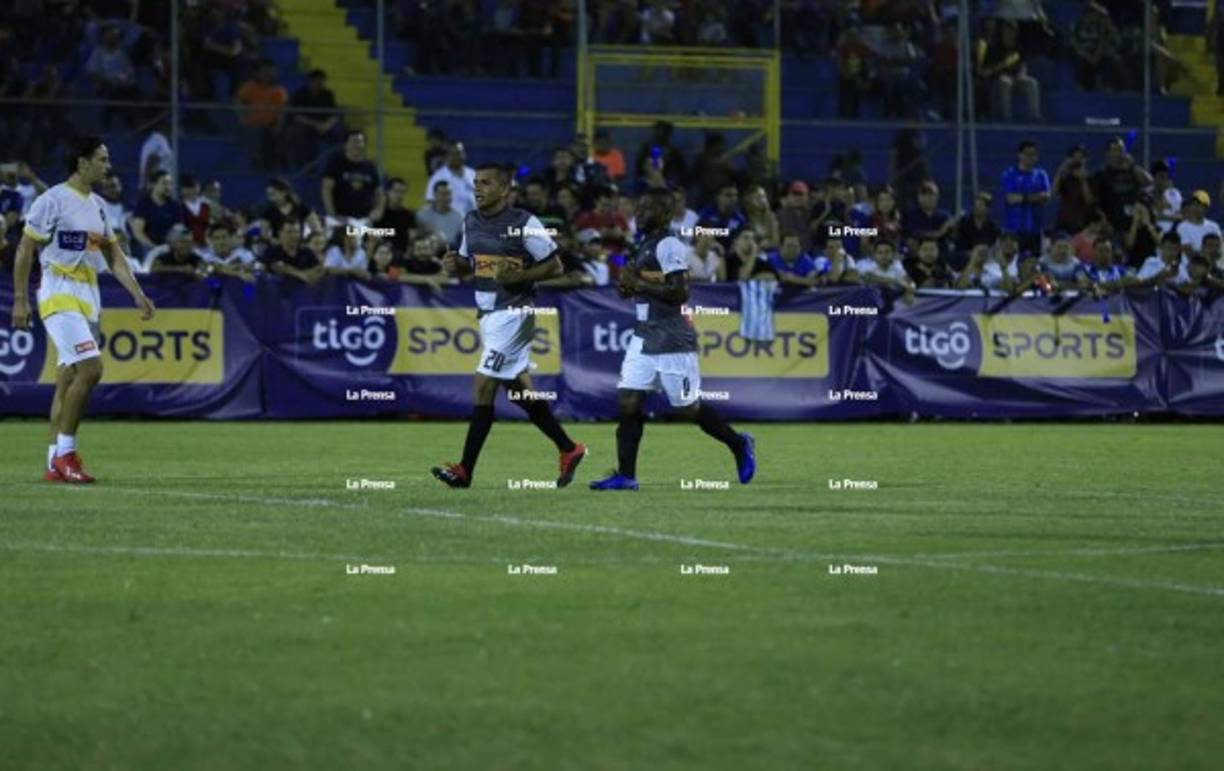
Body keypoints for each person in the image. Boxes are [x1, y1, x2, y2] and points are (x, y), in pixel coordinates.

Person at [7, 135, 156, 483]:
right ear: (82, 162)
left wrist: (137, 293)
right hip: (58, 294)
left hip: (89, 299)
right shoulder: (52, 200)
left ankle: (51, 463)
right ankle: (67, 454)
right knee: (91, 369)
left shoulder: (99, 206)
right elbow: (25, 248)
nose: (108, 166)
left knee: (67, 380)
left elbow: (114, 257)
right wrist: (19, 298)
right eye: (102, 160)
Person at [431, 164, 588, 489]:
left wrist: (520, 276)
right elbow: (467, 264)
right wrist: (454, 265)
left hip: (515, 315)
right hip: (488, 315)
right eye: (475, 183)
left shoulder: (524, 223)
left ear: (505, 190)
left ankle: (464, 471)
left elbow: (555, 265)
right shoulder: (470, 221)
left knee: (483, 384)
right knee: (519, 393)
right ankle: (569, 448)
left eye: (486, 183)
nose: (477, 188)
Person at [589, 187, 756, 491]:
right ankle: (626, 475)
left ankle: (738, 443)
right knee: (628, 400)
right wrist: (629, 288)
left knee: (687, 407)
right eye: (638, 208)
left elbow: (679, 292)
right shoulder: (643, 245)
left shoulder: (668, 244)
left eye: (647, 209)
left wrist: (638, 282)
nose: (639, 214)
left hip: (671, 335)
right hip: (643, 334)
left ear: (664, 214)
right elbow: (644, 288)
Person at [978, 20, 1041, 121]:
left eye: (1012, 32)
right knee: (1005, 82)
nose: (1009, 34)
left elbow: (1023, 65)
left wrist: (1021, 74)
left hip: (1017, 79)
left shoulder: (1019, 48)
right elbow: (989, 70)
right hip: (999, 81)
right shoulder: (995, 48)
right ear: (1002, 33)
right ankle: (1007, 116)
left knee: (1032, 82)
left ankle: (1034, 115)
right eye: (1007, 32)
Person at [1000, 139, 1051, 255]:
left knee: (1034, 261)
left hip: (1036, 229)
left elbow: (1046, 197)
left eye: (1033, 154)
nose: (1030, 157)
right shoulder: (1009, 174)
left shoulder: (1041, 174)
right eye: (1027, 154)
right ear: (1019, 155)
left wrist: (1022, 198)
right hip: (1014, 229)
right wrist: (1034, 198)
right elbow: (1011, 199)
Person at [235, 59, 288, 171]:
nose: (268, 75)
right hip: (252, 126)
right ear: (258, 73)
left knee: (272, 136)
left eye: (270, 72)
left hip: (269, 127)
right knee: (256, 134)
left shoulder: (278, 91)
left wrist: (278, 126)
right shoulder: (249, 86)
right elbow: (239, 101)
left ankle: (270, 165)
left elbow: (281, 111)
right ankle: (257, 161)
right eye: (265, 72)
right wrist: (242, 118)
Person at [322, 130, 384, 224]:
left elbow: (379, 193)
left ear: (364, 144)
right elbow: (326, 189)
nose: (356, 145)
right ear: (346, 144)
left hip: (364, 219)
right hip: (341, 218)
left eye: (360, 141)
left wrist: (378, 210)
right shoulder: (335, 163)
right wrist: (332, 214)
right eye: (353, 141)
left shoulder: (370, 167)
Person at [1092, 137, 1152, 234]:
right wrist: (1104, 222)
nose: (1119, 154)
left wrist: (1132, 166)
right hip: (1111, 225)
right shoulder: (1101, 174)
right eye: (1115, 150)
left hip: (1133, 226)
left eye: (1121, 150)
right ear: (1107, 153)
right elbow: (1094, 202)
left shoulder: (1132, 171)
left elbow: (1148, 182)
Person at [286, 69, 340, 167]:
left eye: (322, 81)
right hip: (307, 125)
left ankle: (336, 164)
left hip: (324, 126)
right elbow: (296, 116)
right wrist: (316, 125)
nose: (319, 83)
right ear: (310, 81)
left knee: (340, 131)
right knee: (299, 133)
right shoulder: (300, 94)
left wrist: (327, 125)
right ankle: (306, 165)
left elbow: (334, 114)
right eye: (317, 81)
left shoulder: (328, 94)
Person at [129, 170, 181, 255]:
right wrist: (154, 248)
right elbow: (138, 232)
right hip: (148, 249)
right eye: (165, 183)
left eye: (170, 183)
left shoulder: (175, 206)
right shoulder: (143, 205)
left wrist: (169, 248)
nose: (168, 187)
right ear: (153, 184)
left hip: (170, 249)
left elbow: (178, 230)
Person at [424, 141, 476, 216]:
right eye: (452, 154)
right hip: (448, 224)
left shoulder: (473, 175)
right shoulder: (437, 177)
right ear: (446, 156)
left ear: (464, 154)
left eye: (459, 153)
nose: (456, 156)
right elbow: (430, 201)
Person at [264, 219, 324, 283]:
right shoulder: (272, 250)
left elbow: (317, 269)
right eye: (289, 232)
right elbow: (277, 267)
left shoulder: (306, 251)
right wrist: (301, 275)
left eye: (296, 232)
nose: (294, 235)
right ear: (280, 233)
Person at [1053, 144, 1095, 234]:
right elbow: (1054, 192)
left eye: (1081, 157)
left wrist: (1083, 181)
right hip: (1064, 222)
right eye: (1075, 157)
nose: (1078, 160)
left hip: (1082, 223)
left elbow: (1090, 201)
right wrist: (1061, 171)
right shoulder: (1066, 178)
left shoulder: (1090, 178)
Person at [952, 191, 1000, 269]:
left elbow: (994, 245)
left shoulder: (993, 226)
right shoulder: (963, 222)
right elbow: (958, 245)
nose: (976, 207)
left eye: (980, 205)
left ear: (988, 208)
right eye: (975, 205)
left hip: (986, 258)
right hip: (965, 257)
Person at [373, 177, 417, 256]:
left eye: (402, 192)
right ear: (388, 192)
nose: (399, 195)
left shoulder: (408, 215)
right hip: (382, 254)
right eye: (396, 191)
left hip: (401, 254)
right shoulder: (380, 213)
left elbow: (412, 238)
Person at [416, 181, 464, 248]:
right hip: (427, 252)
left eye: (448, 194)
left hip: (450, 252)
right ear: (434, 195)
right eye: (442, 194)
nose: (446, 198)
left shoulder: (459, 217)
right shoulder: (423, 215)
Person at [1174, 190, 1222, 257]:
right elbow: (1188, 251)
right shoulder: (1182, 227)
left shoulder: (1214, 226)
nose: (1196, 208)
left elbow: (1219, 251)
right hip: (1190, 266)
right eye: (1194, 205)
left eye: (1199, 205)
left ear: (1206, 208)